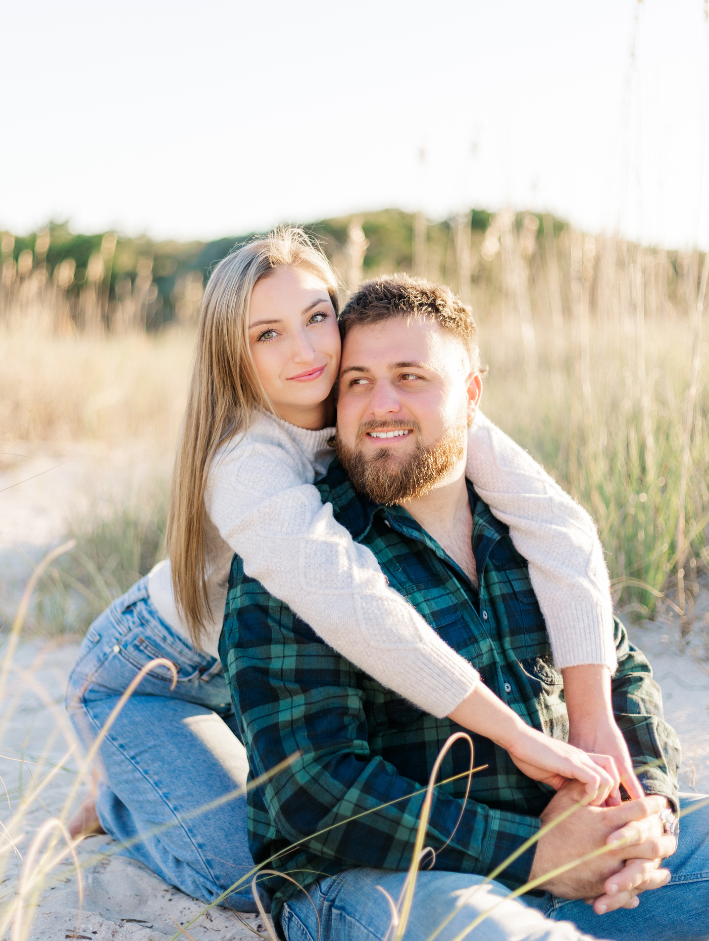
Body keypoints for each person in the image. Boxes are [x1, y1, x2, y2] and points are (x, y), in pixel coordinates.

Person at [67, 229, 634, 914]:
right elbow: (358, 607)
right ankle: (120, 805)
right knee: (245, 870)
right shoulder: (245, 465)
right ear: (233, 355)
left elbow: (557, 523)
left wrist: (592, 714)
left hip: (247, 665)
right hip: (148, 675)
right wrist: (513, 734)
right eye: (266, 334)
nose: (305, 351)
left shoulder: (379, 399)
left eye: (315, 317)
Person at [221, 273, 708, 941]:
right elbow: (312, 789)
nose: (379, 403)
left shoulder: (528, 529)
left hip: (575, 849)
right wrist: (529, 852)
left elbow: (618, 669)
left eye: (409, 376)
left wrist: (644, 806)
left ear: (471, 393)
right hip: (388, 882)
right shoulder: (299, 554)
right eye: (356, 381)